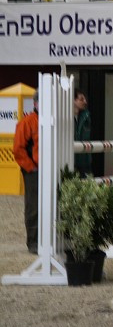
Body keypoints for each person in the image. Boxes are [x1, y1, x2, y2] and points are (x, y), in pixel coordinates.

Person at [13, 91, 39, 253]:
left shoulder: (49, 121)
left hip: (47, 169)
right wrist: (31, 168)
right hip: (33, 171)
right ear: (35, 103)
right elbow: (18, 149)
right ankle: (33, 242)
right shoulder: (27, 122)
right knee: (34, 206)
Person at [74, 89, 92, 176]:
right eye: (81, 99)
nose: (85, 102)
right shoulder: (65, 117)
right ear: (73, 100)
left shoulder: (86, 116)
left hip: (84, 160)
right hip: (70, 159)